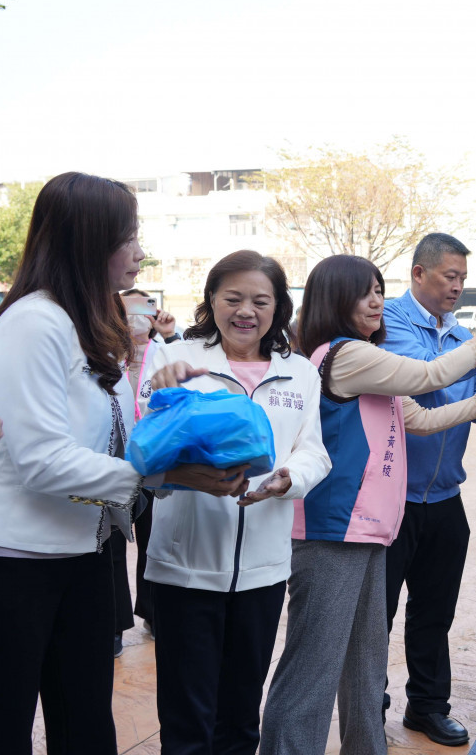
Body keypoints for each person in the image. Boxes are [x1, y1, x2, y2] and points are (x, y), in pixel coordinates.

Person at [259, 255, 476, 755]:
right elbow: (430, 374)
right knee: (313, 669)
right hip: (332, 532)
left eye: (380, 290)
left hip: (369, 529)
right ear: (335, 300)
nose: (377, 301)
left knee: (365, 663)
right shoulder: (342, 355)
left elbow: (420, 419)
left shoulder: (364, 359)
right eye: (364, 292)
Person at [143, 250, 333, 755]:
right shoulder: (176, 359)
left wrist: (288, 479)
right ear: (211, 300)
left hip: (263, 571)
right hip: (185, 568)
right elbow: (141, 458)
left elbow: (314, 449)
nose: (245, 310)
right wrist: (166, 398)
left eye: (260, 300)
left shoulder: (299, 372)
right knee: (187, 722)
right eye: (232, 298)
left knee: (240, 717)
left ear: (278, 308)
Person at [0, 172, 151, 753]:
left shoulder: (85, 323)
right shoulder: (33, 324)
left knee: (85, 722)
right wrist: (153, 476)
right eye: (127, 236)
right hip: (15, 566)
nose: (139, 251)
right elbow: (43, 461)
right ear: (87, 239)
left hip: (84, 551)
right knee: (3, 724)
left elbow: (113, 437)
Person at [379, 233, 476, 747]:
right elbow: (427, 379)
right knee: (379, 612)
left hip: (444, 497)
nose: (458, 287)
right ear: (418, 273)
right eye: (450, 277)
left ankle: (426, 707)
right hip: (389, 499)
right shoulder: (391, 325)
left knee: (434, 612)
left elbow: (473, 398)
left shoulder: (454, 333)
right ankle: (367, 699)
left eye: (463, 278)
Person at [111, 288, 179, 652]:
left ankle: (153, 612)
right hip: (113, 462)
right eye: (129, 309)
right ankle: (115, 622)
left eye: (145, 307)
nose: (137, 317)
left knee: (153, 538)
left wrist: (169, 333)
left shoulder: (165, 351)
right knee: (112, 542)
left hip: (154, 460)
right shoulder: (106, 352)